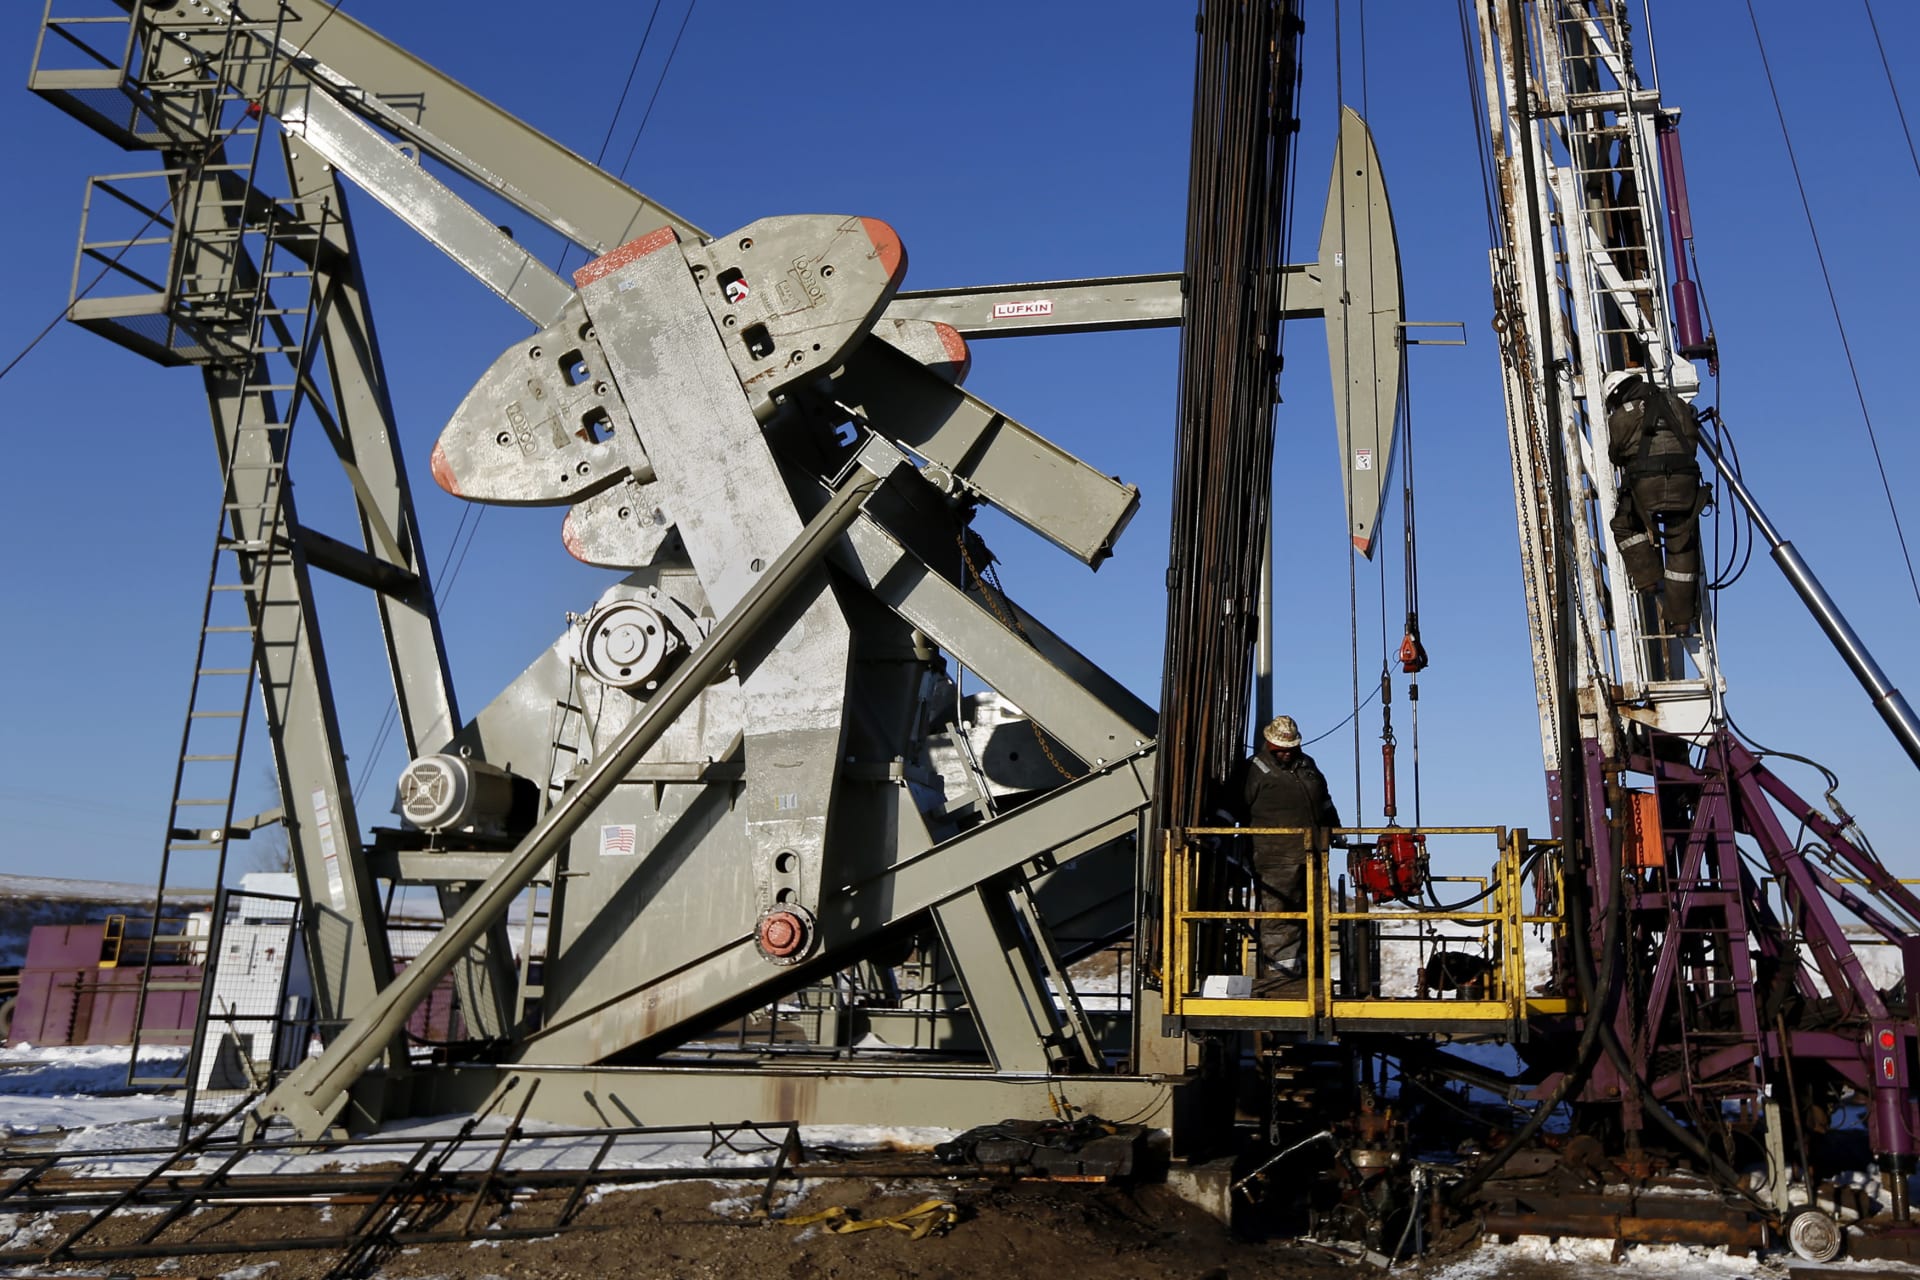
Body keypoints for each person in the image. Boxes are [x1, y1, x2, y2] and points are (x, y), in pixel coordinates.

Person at [1602, 370, 1712, 632]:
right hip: (1685, 484)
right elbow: (1691, 441)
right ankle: (1682, 619)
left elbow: (1615, 455)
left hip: (1646, 487)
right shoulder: (1677, 403)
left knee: (1624, 525)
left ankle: (1648, 578)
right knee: (1682, 543)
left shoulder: (1621, 415)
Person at [1237, 714, 1341, 979]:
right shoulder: (1254, 770)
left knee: (1316, 919)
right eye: (1280, 749)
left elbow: (1325, 802)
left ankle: (1313, 977)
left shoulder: (1307, 765)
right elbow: (1233, 807)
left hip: (1313, 856)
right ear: (1269, 744)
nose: (1285, 753)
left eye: (1290, 748)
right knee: (1279, 919)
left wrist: (1336, 830)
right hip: (1273, 860)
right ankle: (1281, 980)